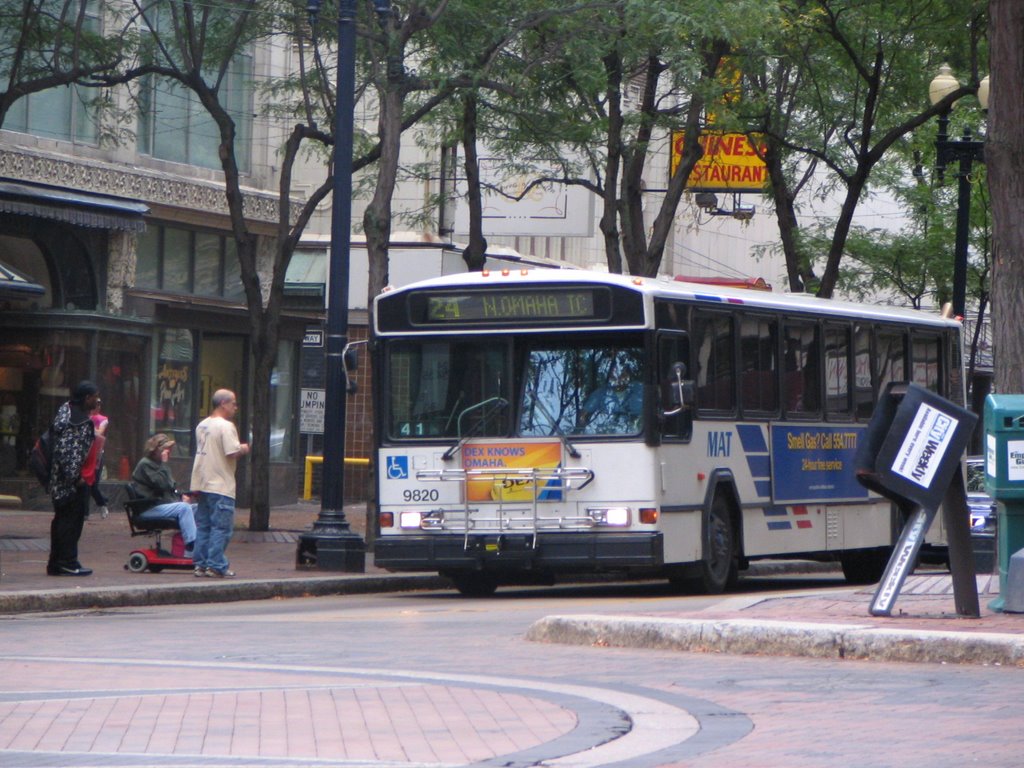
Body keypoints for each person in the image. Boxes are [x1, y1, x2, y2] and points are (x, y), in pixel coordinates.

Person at [189, 389, 249, 578]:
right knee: (221, 527)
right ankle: (216, 564)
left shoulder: (202, 425)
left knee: (204, 526)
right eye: (233, 403)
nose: (235, 407)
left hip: (203, 482)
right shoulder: (226, 426)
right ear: (223, 403)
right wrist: (244, 448)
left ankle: (200, 563)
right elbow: (231, 452)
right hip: (221, 484)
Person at [46, 380, 100, 576]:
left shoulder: (66, 413)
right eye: (95, 396)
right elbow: (70, 452)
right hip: (70, 484)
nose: (97, 400)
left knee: (61, 521)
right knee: (70, 523)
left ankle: (56, 562)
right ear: (87, 398)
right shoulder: (79, 422)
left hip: (57, 481)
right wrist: (76, 479)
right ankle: (68, 561)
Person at [131, 433, 197, 555]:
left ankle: (197, 543)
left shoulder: (158, 465)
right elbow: (162, 484)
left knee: (198, 508)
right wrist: (165, 465)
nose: (169, 452)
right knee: (184, 508)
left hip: (160, 504)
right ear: (156, 450)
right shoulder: (146, 464)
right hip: (149, 507)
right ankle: (191, 547)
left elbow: (171, 486)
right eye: (166, 449)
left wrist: (180, 496)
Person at [82, 404, 109, 520]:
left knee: (93, 485)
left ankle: (102, 503)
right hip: (85, 454)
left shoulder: (103, 419)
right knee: (85, 484)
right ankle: (85, 513)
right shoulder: (84, 417)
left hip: (97, 454)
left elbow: (99, 433)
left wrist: (89, 425)